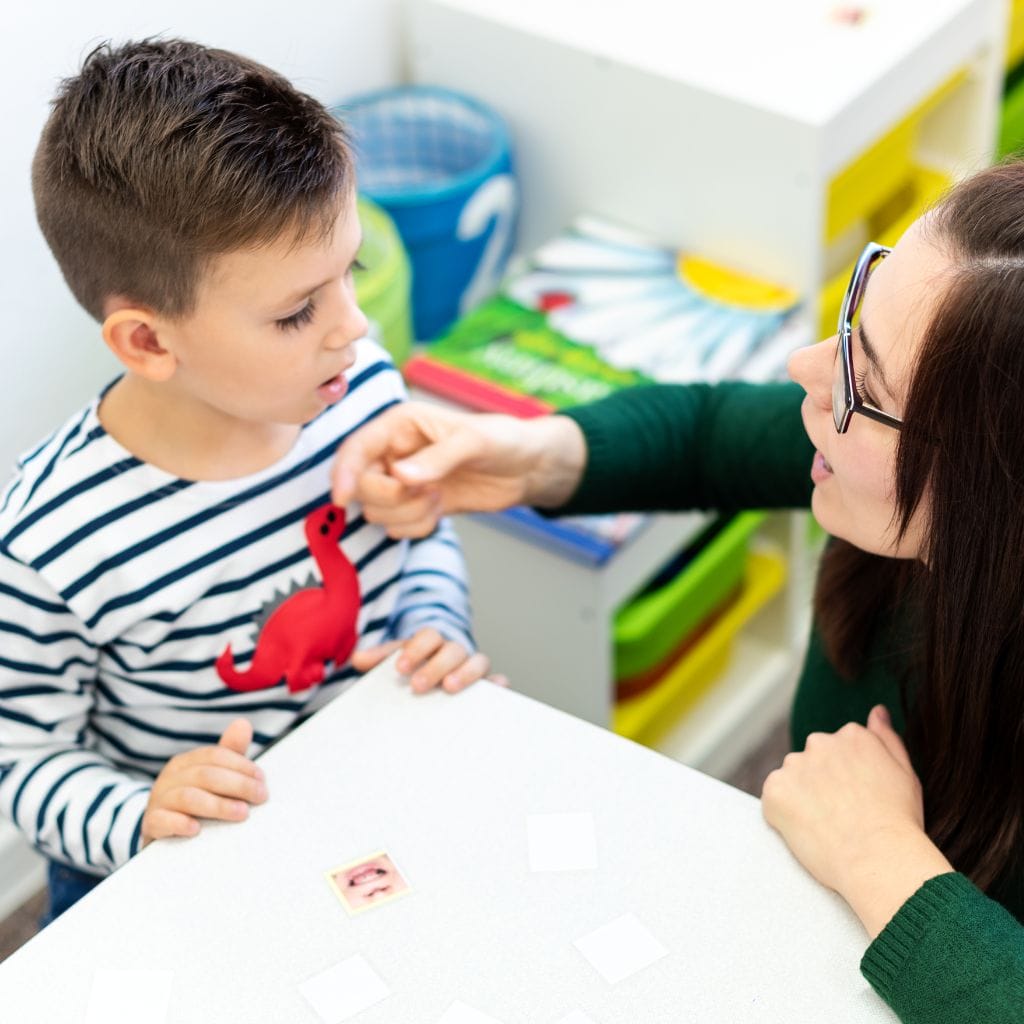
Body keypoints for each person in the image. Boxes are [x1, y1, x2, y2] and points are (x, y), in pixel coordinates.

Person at [331, 162, 1024, 1021]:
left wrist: (881, 853)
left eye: (865, 384)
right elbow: (706, 431)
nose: (809, 368)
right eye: (850, 322)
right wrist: (526, 454)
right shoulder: (880, 466)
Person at [0, 39, 494, 926]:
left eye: (354, 272)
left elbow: (420, 538)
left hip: (359, 800)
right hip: (164, 874)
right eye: (298, 310)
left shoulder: (361, 387)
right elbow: (20, 759)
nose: (354, 326)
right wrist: (139, 813)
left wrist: (432, 624)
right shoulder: (49, 542)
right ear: (149, 342)